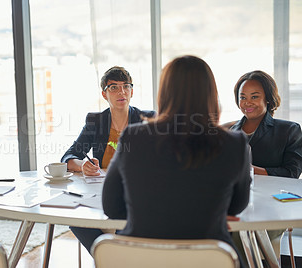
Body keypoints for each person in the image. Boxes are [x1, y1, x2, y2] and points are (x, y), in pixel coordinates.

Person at [102, 55, 251, 267]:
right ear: (211, 93)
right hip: (209, 258)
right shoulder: (235, 143)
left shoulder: (133, 136)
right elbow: (237, 206)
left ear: (164, 93)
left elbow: (111, 207)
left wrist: (148, 213)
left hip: (142, 257)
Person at [61, 66, 155, 253]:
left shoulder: (148, 119)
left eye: (125, 86)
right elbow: (68, 157)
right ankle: (110, 257)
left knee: (126, 221)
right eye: (113, 87)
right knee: (72, 218)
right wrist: (83, 165)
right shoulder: (96, 121)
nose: (121, 92)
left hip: (137, 193)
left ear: (132, 91)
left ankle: (114, 258)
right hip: (102, 192)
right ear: (104, 94)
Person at [230, 70, 302, 178]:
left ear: (267, 98)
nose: (247, 103)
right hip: (235, 194)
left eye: (254, 97)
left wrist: (250, 170)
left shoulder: (289, 130)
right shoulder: (229, 132)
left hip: (272, 194)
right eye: (243, 97)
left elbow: (292, 173)